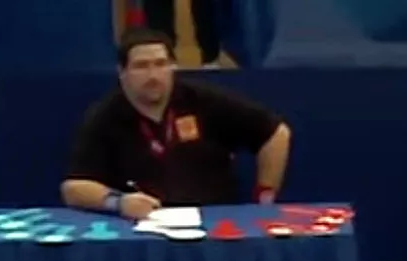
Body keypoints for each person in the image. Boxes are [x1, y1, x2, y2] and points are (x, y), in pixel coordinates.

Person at [62, 27, 289, 218]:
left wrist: (264, 198)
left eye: (161, 64)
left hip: (213, 221)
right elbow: (73, 188)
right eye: (141, 66)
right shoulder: (105, 116)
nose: (153, 75)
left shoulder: (204, 100)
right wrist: (118, 202)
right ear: (122, 72)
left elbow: (277, 134)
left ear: (173, 67)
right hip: (144, 226)